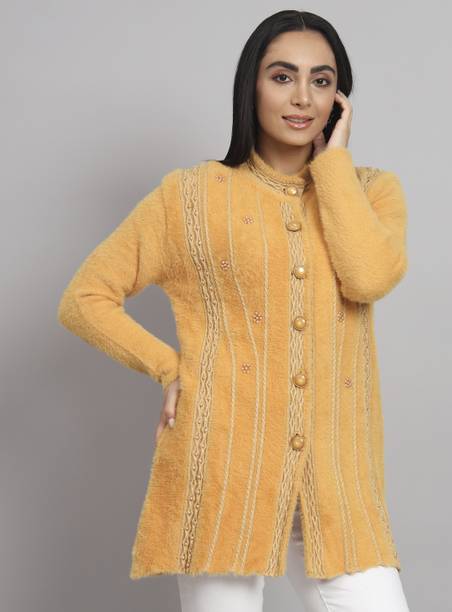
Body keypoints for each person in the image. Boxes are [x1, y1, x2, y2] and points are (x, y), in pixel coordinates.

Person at [57, 9, 411, 612]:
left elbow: (368, 277)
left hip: (338, 494)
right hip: (222, 478)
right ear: (252, 85)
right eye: (282, 76)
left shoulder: (371, 190)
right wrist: (167, 367)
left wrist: (333, 165)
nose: (302, 98)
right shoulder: (190, 196)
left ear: (339, 99)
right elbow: (85, 298)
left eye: (322, 81)